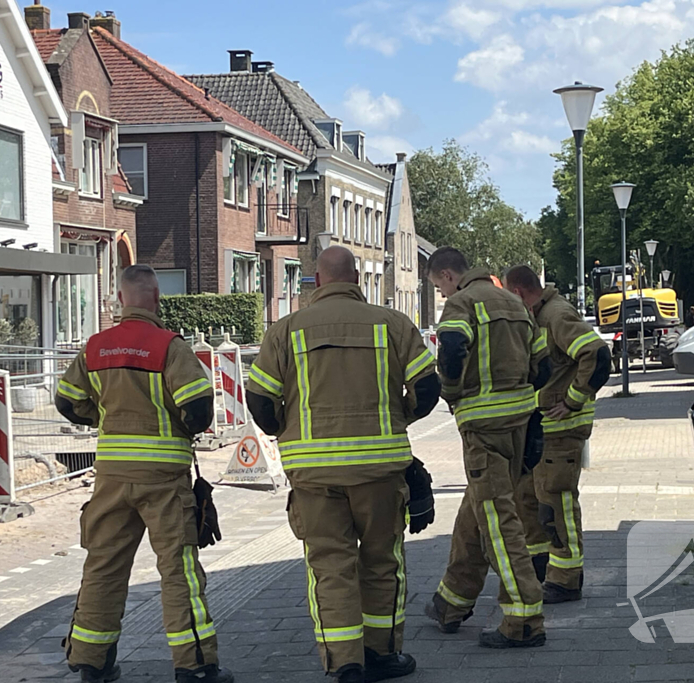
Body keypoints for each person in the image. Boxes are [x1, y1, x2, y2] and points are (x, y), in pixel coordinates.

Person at [245, 246, 441, 683]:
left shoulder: (286, 330)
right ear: (356, 277)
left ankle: (344, 662)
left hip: (313, 476)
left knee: (329, 566)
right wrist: (399, 417)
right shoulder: (392, 324)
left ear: (316, 278)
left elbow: (258, 398)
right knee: (382, 561)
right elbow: (428, 388)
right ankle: (384, 655)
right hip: (379, 470)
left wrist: (287, 430)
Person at [55, 265, 232, 683]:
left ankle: (91, 662)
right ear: (155, 298)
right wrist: (180, 428)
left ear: (120, 298)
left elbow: (66, 402)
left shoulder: (96, 347)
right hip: (164, 480)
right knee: (178, 570)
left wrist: (104, 417)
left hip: (112, 478)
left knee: (103, 566)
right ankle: (195, 666)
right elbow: (198, 409)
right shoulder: (169, 346)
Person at [421, 247, 550, 648]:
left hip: (483, 429)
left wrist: (454, 394)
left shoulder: (462, 303)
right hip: (518, 426)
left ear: (447, 275)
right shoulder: (514, 303)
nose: (441, 295)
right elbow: (542, 367)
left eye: (438, 287)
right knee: (478, 511)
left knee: (497, 521)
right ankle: (452, 601)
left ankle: (524, 617)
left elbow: (454, 349)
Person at [504, 265, 611, 603]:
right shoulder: (539, 316)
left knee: (556, 504)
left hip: (561, 431)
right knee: (530, 502)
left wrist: (572, 400)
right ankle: (541, 568)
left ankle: (566, 579)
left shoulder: (556, 315)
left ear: (519, 293)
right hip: (543, 432)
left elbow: (596, 354)